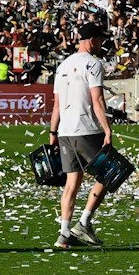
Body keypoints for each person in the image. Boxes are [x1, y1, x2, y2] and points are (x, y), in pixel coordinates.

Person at [48, 21, 113, 250]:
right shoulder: (93, 64)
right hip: (87, 129)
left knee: (71, 183)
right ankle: (84, 222)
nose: (101, 44)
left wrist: (53, 132)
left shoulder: (63, 65)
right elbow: (97, 100)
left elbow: (56, 104)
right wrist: (107, 129)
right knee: (109, 173)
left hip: (65, 131)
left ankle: (64, 234)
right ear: (92, 40)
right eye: (100, 40)